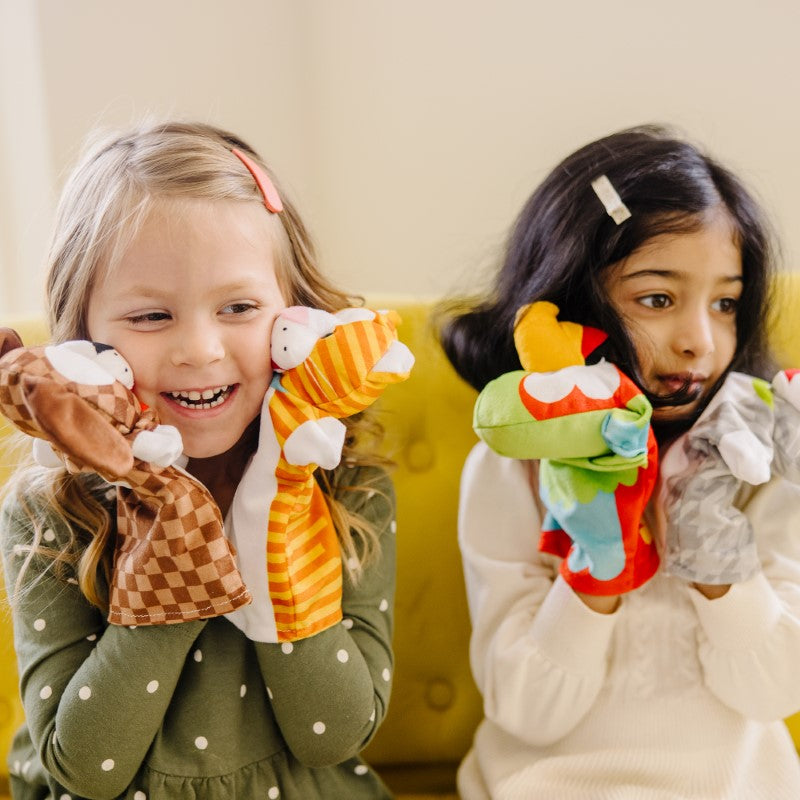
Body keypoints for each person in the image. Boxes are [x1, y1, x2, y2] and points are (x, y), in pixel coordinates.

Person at [0, 121, 398, 799]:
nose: (200, 349)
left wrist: (268, 523)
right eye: (152, 316)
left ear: (296, 319)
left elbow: (334, 733)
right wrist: (178, 552)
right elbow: (84, 768)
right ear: (83, 339)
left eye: (238, 306)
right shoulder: (49, 509)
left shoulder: (346, 483)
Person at [440, 124, 800, 799]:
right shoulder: (507, 466)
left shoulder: (764, 455)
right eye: (657, 299)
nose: (699, 340)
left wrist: (711, 544)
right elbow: (527, 709)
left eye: (725, 302)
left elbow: (774, 689)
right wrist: (596, 561)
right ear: (568, 301)